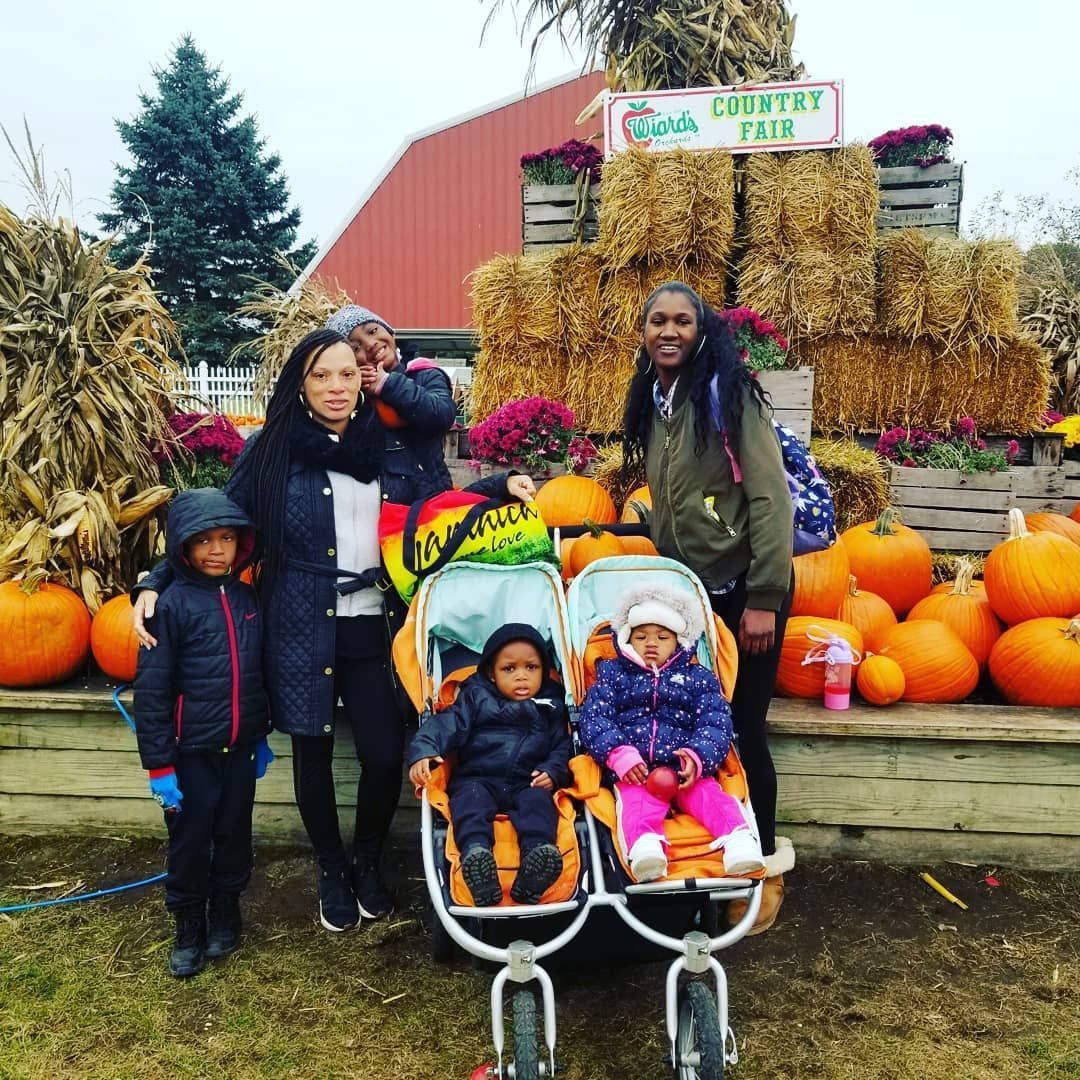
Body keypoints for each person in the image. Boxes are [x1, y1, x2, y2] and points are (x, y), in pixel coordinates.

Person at [133, 327, 536, 934]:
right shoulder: (273, 448)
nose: (336, 387)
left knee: (381, 751)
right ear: (301, 381)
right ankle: (331, 870)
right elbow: (220, 516)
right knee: (312, 751)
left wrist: (496, 486)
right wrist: (155, 579)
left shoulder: (387, 443)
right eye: (321, 375)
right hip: (298, 618)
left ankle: (367, 860)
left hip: (373, 621)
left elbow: (436, 506)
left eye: (346, 373)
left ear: (363, 377)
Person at [621, 281, 795, 931]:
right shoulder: (659, 400)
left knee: (746, 732)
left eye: (683, 322)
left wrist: (766, 599)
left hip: (746, 591)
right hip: (693, 599)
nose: (669, 331)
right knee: (702, 736)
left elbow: (771, 498)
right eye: (658, 322)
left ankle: (764, 878)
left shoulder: (729, 393)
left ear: (703, 330)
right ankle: (709, 863)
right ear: (644, 333)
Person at [133, 488, 272, 978]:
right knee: (191, 842)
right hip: (189, 754)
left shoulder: (246, 596)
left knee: (234, 834)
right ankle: (188, 925)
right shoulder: (166, 606)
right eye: (204, 540)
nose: (217, 550)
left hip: (238, 750)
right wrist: (160, 766)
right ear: (183, 547)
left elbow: (255, 674)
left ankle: (226, 914)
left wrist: (259, 735)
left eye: (227, 538)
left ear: (241, 544)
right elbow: (151, 693)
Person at [579, 585, 764, 884]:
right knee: (636, 806)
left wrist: (698, 756)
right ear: (626, 639)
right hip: (635, 770)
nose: (651, 644)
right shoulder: (613, 675)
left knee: (713, 798)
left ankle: (738, 841)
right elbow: (595, 718)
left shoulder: (697, 678)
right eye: (641, 637)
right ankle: (646, 849)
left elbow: (715, 722)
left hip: (685, 768)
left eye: (662, 637)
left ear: (679, 641)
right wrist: (618, 754)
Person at [407, 624, 572, 906]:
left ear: (543, 671)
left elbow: (563, 747)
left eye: (531, 668)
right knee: (470, 803)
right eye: (509, 669)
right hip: (478, 778)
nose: (521, 676)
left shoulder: (552, 705)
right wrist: (424, 750)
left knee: (538, 804)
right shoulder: (475, 698)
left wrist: (553, 772)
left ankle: (537, 856)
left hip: (527, 782)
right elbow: (446, 725)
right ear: (491, 675)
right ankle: (476, 854)